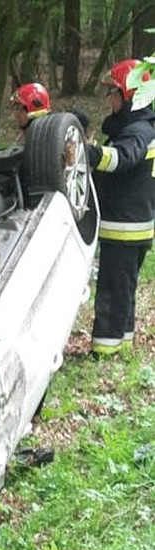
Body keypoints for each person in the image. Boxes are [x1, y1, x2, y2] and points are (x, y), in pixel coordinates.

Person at [85, 59, 155, 357]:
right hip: (130, 225)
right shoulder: (137, 126)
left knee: (113, 292)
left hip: (125, 228)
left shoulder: (137, 131)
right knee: (122, 290)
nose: (109, 100)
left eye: (113, 93)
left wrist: (89, 154)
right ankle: (122, 344)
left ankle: (105, 351)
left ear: (129, 95)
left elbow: (121, 158)